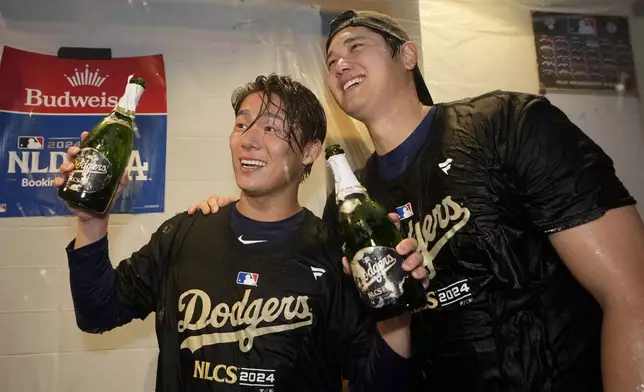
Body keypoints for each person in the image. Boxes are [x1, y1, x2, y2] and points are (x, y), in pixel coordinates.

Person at [188, 10, 644, 392]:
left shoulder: (507, 126)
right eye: (330, 60)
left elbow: (631, 294)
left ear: (408, 54)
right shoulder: (349, 203)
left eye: (355, 46)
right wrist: (241, 212)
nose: (340, 64)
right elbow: (355, 343)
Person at [56, 74, 429, 392]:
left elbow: (377, 383)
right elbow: (97, 312)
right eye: (241, 124)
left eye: (271, 128)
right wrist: (91, 221)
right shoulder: (184, 233)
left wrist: (397, 314)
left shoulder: (336, 254)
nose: (249, 140)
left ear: (311, 150)